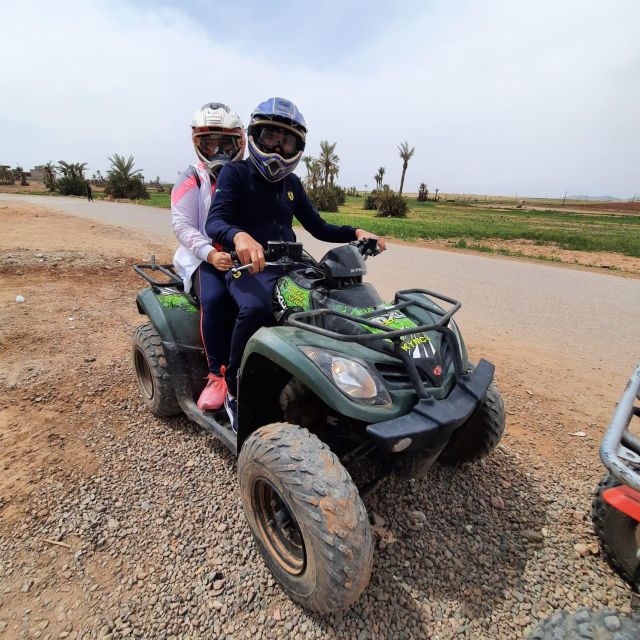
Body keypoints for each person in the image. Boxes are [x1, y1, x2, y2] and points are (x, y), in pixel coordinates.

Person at [206, 97, 386, 432]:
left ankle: (345, 380)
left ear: (297, 147)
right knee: (257, 308)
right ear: (255, 136)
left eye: (286, 141)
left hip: (291, 264)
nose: (277, 147)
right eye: (270, 137)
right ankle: (234, 387)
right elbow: (214, 222)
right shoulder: (235, 172)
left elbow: (317, 226)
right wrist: (240, 237)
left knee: (335, 300)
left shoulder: (292, 184)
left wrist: (355, 231)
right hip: (247, 268)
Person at [171, 102, 245, 411]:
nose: (217, 150)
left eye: (224, 143)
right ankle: (217, 375)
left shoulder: (248, 176)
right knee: (215, 300)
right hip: (205, 258)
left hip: (243, 254)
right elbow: (183, 225)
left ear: (238, 143)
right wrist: (209, 254)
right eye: (210, 143)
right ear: (198, 144)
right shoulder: (192, 179)